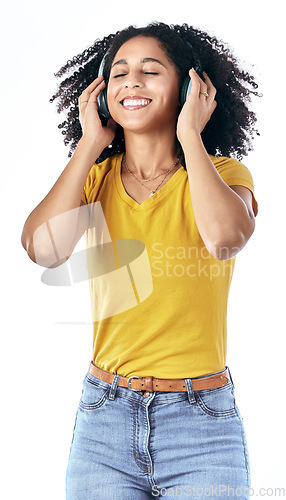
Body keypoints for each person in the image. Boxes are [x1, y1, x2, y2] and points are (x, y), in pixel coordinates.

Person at [21, 22, 259, 499]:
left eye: (151, 71)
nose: (131, 81)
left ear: (190, 89)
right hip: (103, 421)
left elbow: (226, 239)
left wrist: (191, 134)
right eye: (119, 73)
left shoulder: (225, 175)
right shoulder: (95, 179)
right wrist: (89, 144)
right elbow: (43, 249)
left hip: (202, 425)